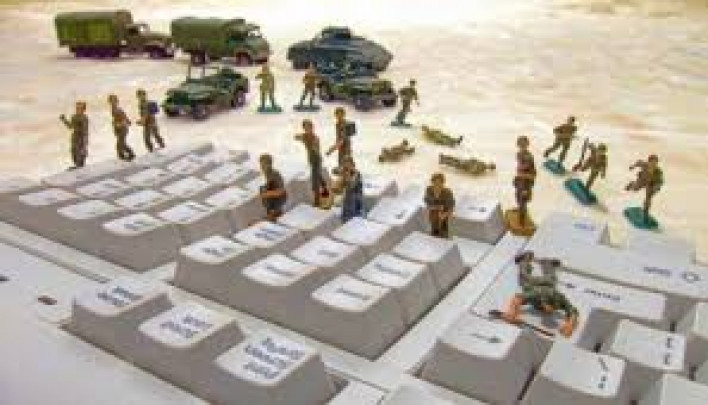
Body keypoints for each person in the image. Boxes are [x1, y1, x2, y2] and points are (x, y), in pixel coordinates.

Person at [502, 251, 579, 338]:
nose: (550, 311)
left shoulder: (559, 299)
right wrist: (512, 314)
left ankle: (548, 264)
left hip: (548, 284)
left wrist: (569, 326)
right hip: (533, 284)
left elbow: (573, 311)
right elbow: (517, 298)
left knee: (551, 279)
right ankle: (524, 260)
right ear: (544, 304)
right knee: (525, 278)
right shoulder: (536, 294)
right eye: (548, 308)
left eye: (551, 309)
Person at [294, 119, 329, 207]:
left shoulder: (315, 138)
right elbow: (297, 137)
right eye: (305, 128)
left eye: (309, 127)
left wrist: (314, 147)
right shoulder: (305, 136)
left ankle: (317, 201)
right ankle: (325, 188)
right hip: (311, 160)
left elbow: (316, 149)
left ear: (312, 127)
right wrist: (300, 137)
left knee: (315, 181)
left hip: (316, 160)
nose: (307, 129)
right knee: (318, 176)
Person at [625, 154, 663, 222]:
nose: (653, 164)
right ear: (648, 162)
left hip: (651, 184)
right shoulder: (645, 165)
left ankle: (645, 211)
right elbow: (638, 162)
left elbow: (660, 181)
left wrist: (656, 187)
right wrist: (633, 166)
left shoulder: (658, 171)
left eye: (655, 163)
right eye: (652, 162)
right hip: (642, 180)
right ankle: (631, 184)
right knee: (635, 188)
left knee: (648, 198)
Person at [424, 172, 455, 238]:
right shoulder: (429, 190)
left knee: (443, 232)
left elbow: (451, 207)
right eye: (435, 183)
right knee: (434, 231)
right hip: (433, 214)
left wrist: (444, 215)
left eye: (439, 183)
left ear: (443, 183)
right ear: (432, 182)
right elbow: (427, 204)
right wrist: (437, 207)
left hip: (444, 215)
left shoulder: (448, 192)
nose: (437, 185)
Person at [333, 156, 363, 222]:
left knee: (350, 201)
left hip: (355, 199)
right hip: (348, 198)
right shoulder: (345, 171)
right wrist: (341, 171)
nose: (346, 167)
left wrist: (347, 175)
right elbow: (334, 171)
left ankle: (350, 218)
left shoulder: (357, 174)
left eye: (347, 165)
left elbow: (352, 185)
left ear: (352, 164)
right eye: (344, 165)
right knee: (345, 201)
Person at [514, 136, 536, 226]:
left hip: (526, 181)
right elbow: (520, 167)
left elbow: (529, 171)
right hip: (521, 180)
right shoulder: (519, 154)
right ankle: (521, 210)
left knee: (523, 200)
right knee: (519, 198)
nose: (522, 146)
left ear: (527, 145)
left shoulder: (528, 157)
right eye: (520, 145)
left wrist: (526, 187)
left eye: (524, 145)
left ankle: (522, 221)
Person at [59, 101, 89, 169]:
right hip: (75, 138)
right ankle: (77, 166)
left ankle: (79, 167)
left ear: (83, 110)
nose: (78, 110)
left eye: (80, 108)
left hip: (81, 139)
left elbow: (85, 132)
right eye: (77, 108)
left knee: (80, 155)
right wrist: (64, 120)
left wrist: (84, 145)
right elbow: (70, 127)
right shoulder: (74, 117)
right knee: (74, 154)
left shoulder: (84, 118)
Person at [258, 154, 287, 221]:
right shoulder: (268, 174)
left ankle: (275, 212)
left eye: (264, 165)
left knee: (264, 190)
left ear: (269, 164)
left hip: (280, 197)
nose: (262, 167)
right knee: (263, 188)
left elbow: (280, 191)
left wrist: (266, 194)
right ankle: (272, 212)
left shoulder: (274, 174)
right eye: (261, 165)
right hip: (276, 197)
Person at [326, 107, 354, 174]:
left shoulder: (345, 124)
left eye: (340, 114)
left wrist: (332, 149)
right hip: (341, 146)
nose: (338, 116)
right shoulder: (338, 124)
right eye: (337, 115)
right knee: (341, 160)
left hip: (345, 146)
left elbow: (343, 139)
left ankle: (349, 171)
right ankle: (344, 170)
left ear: (344, 114)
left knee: (346, 160)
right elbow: (339, 137)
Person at [108, 94, 135, 161]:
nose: (112, 102)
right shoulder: (114, 109)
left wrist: (123, 123)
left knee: (120, 144)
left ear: (117, 101)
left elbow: (123, 117)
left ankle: (129, 155)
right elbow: (123, 117)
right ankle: (127, 156)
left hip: (122, 128)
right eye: (111, 101)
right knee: (121, 144)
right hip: (119, 128)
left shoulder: (118, 109)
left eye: (114, 101)